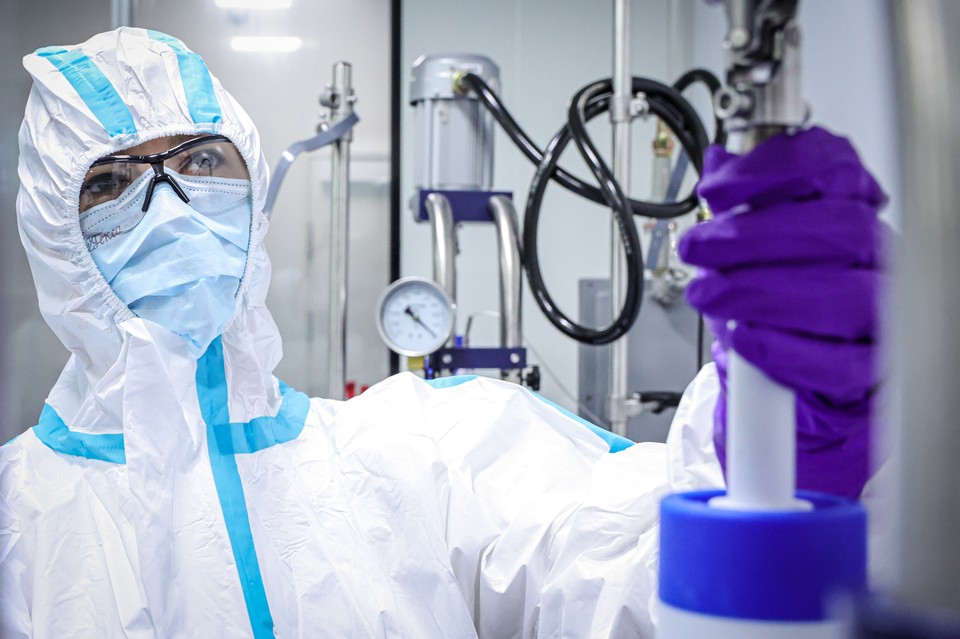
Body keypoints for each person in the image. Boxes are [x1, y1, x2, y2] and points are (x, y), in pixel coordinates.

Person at [0, 28, 885, 638]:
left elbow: (625, 572)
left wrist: (778, 448)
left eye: (200, 162)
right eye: (111, 182)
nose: (169, 203)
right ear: (50, 232)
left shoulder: (423, 453)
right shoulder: (15, 521)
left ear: (253, 191)